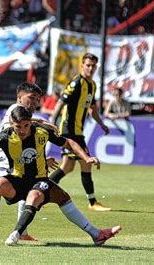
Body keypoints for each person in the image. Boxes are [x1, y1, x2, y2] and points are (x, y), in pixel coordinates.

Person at [0, 106, 121, 246]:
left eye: (26, 125)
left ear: (30, 122)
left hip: (39, 181)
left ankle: (16, 234)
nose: (23, 130)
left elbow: (69, 142)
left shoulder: (41, 131)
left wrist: (86, 157)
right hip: (16, 180)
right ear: (11, 124)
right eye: (18, 126)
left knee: (36, 195)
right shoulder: (4, 137)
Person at [0, 82, 53, 242]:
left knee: (27, 195)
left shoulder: (23, 116)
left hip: (17, 161)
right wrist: (40, 123)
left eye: (37, 99)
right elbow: (14, 135)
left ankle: (21, 232)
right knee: (27, 192)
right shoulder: (14, 111)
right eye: (31, 98)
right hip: (8, 164)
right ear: (19, 98)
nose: (34, 103)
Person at [49, 53, 111, 211]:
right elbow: (61, 101)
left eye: (93, 66)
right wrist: (52, 122)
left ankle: (41, 191)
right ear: (82, 65)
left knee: (67, 167)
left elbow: (92, 108)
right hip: (69, 131)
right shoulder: (77, 82)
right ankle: (92, 202)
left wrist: (102, 124)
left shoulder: (93, 85)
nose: (90, 68)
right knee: (86, 162)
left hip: (78, 131)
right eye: (88, 65)